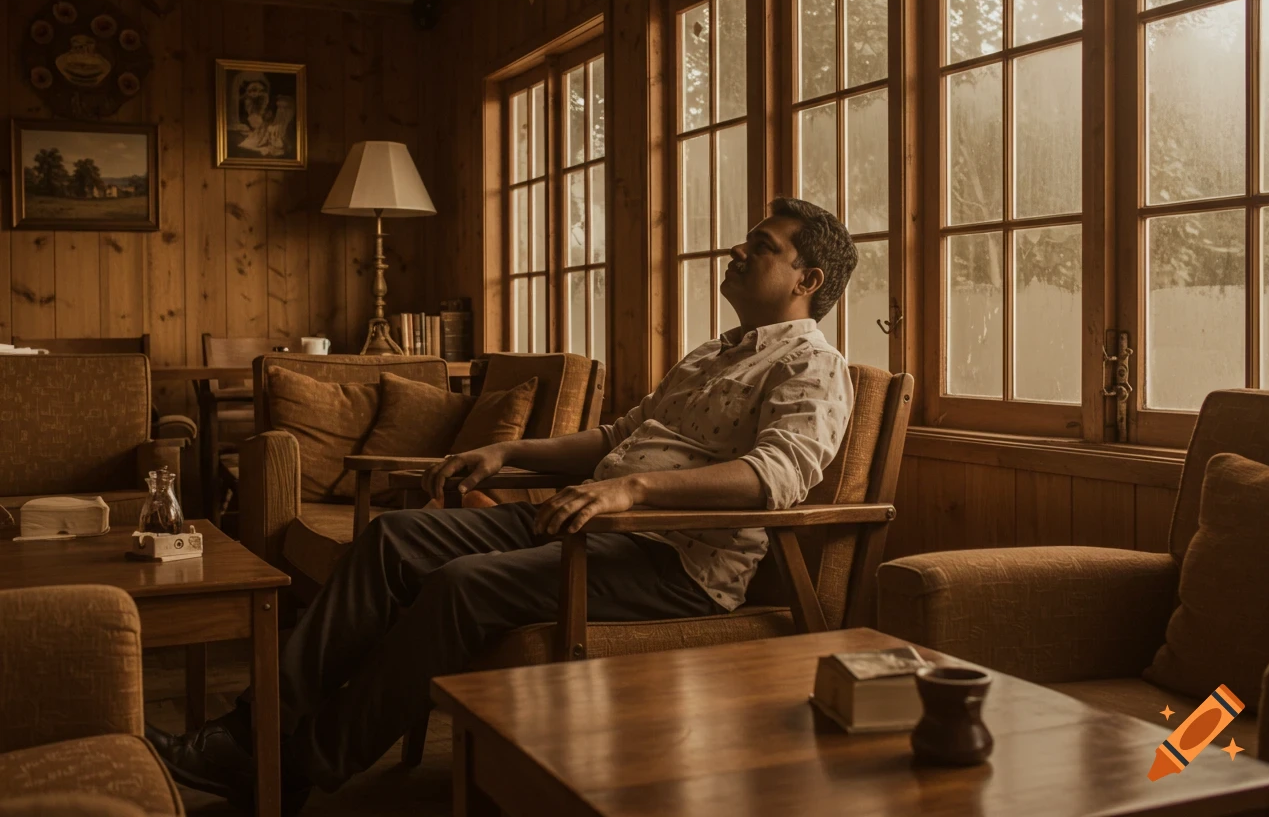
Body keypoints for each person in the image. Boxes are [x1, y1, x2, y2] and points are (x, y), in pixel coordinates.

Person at [149, 197, 860, 812]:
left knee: (462, 586)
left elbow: (776, 476)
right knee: (392, 538)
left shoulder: (812, 365)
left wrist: (632, 488)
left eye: (763, 246)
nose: (738, 250)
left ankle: (298, 766)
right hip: (587, 520)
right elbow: (617, 437)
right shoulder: (711, 353)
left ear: (808, 280)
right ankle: (253, 735)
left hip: (672, 558)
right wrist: (509, 452)